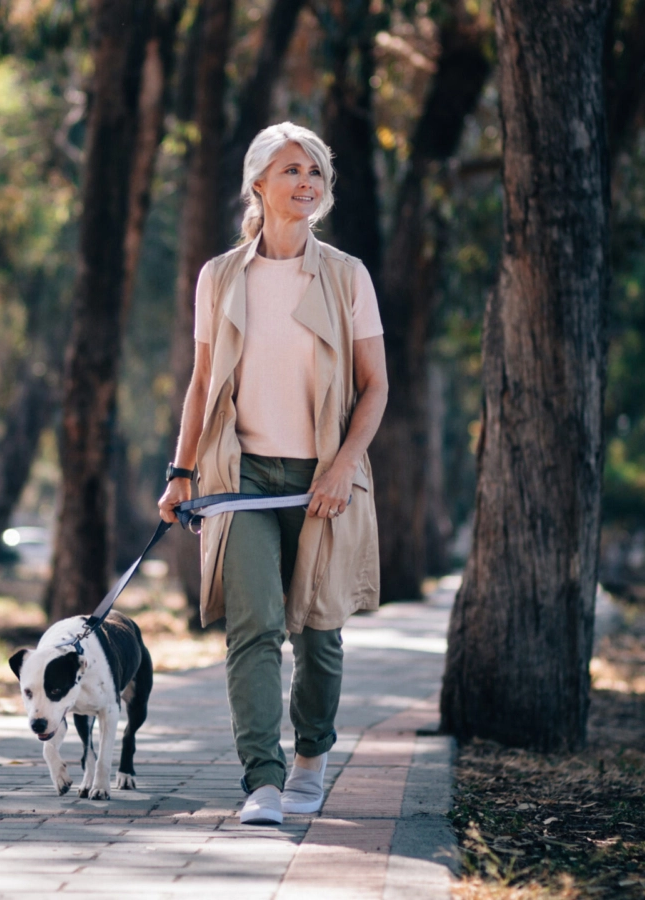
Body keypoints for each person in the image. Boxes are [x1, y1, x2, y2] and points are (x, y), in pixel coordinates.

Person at [158, 121, 386, 826]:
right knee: (253, 628)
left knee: (319, 631)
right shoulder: (221, 277)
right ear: (258, 183)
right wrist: (181, 472)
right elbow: (202, 383)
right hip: (243, 476)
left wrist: (342, 468)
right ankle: (262, 779)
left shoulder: (346, 275)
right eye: (292, 170)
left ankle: (311, 758)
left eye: (315, 171)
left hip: (323, 479)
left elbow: (376, 386)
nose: (306, 183)